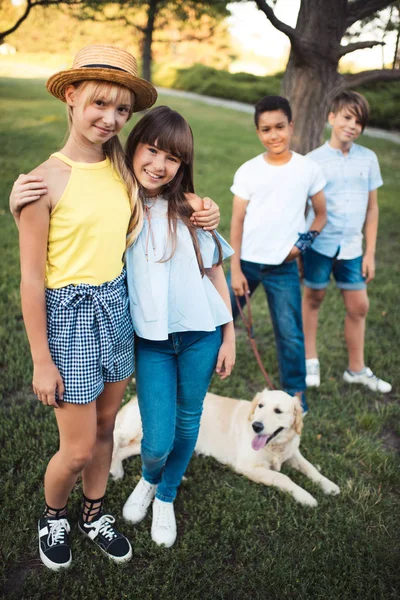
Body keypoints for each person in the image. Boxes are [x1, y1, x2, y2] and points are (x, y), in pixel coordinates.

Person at [11, 45, 220, 571]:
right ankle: (53, 514)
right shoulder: (42, 182)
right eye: (99, 103)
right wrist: (41, 358)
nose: (110, 118)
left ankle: (93, 512)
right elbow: (31, 279)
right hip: (70, 318)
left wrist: (202, 204)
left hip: (117, 310)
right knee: (77, 448)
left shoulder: (122, 167)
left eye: (122, 110)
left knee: (106, 430)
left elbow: (165, 186)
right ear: (71, 96)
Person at [121, 106, 236, 548]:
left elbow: (214, 273)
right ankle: (150, 477)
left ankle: (165, 496)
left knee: (188, 423)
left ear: (182, 165)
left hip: (200, 336)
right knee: (156, 439)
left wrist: (228, 335)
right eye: (151, 151)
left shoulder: (191, 209)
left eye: (172, 158)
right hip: (151, 342)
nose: (159, 165)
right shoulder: (122, 205)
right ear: (134, 149)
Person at [228, 95, 327, 415]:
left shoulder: (307, 169)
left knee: (290, 333)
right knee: (216, 318)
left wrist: (302, 246)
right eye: (266, 129)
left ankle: (295, 392)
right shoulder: (249, 171)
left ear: (291, 126)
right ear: (258, 132)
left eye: (280, 127)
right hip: (246, 264)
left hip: (282, 268)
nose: (274, 135)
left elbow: (321, 215)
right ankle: (197, 370)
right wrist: (236, 268)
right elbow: (237, 221)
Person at [302, 91, 392, 393]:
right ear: (332, 118)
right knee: (313, 299)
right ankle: (309, 359)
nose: (352, 125)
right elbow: (302, 208)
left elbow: (372, 208)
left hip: (352, 248)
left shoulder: (368, 159)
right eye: (347, 117)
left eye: (359, 121)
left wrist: (370, 253)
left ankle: (356, 369)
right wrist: (300, 248)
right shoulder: (313, 161)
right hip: (319, 245)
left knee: (359, 306)